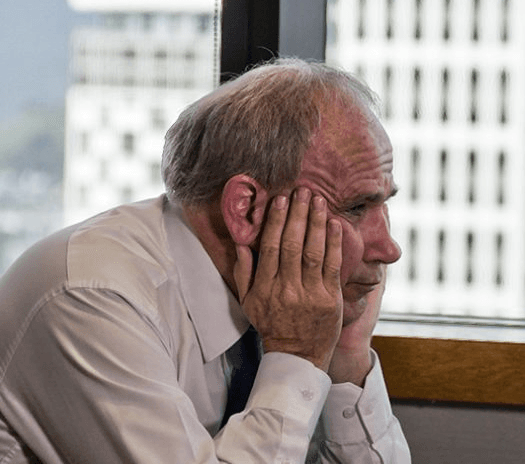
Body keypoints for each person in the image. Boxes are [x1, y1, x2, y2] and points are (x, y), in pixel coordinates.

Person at [0, 58, 410, 463]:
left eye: (383, 204)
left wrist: (347, 354)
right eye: (356, 207)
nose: (389, 249)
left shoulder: (284, 304)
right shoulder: (92, 297)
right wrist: (296, 356)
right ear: (247, 210)